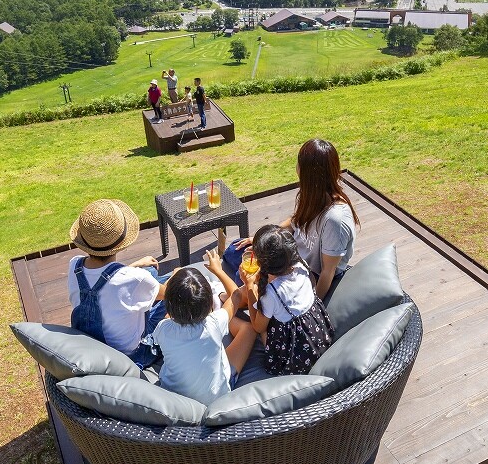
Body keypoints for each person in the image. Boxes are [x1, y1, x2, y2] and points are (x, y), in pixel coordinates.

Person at [224, 138, 358, 301]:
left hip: (302, 275)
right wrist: (265, 240)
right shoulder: (312, 195)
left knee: (243, 274)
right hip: (289, 254)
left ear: (308, 173)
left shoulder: (335, 219)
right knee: (233, 251)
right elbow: (295, 221)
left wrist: (312, 309)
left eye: (298, 164)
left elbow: (327, 273)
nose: (296, 168)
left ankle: (241, 297)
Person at [66, 199, 170, 367]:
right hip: (134, 353)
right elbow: (168, 294)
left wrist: (135, 265)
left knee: (149, 272)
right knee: (178, 282)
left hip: (95, 344)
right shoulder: (133, 279)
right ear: (121, 243)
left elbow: (106, 281)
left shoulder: (74, 265)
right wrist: (179, 274)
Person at [151, 251, 257, 404]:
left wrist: (175, 275)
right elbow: (236, 295)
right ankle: (217, 306)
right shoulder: (214, 323)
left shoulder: (163, 329)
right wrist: (218, 270)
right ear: (208, 304)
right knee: (248, 329)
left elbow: (169, 318)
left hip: (176, 398)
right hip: (216, 397)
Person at [235, 225, 333, 376]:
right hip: (319, 338)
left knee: (263, 326)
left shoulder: (272, 293)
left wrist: (249, 287)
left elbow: (258, 327)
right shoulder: (301, 265)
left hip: (296, 356)